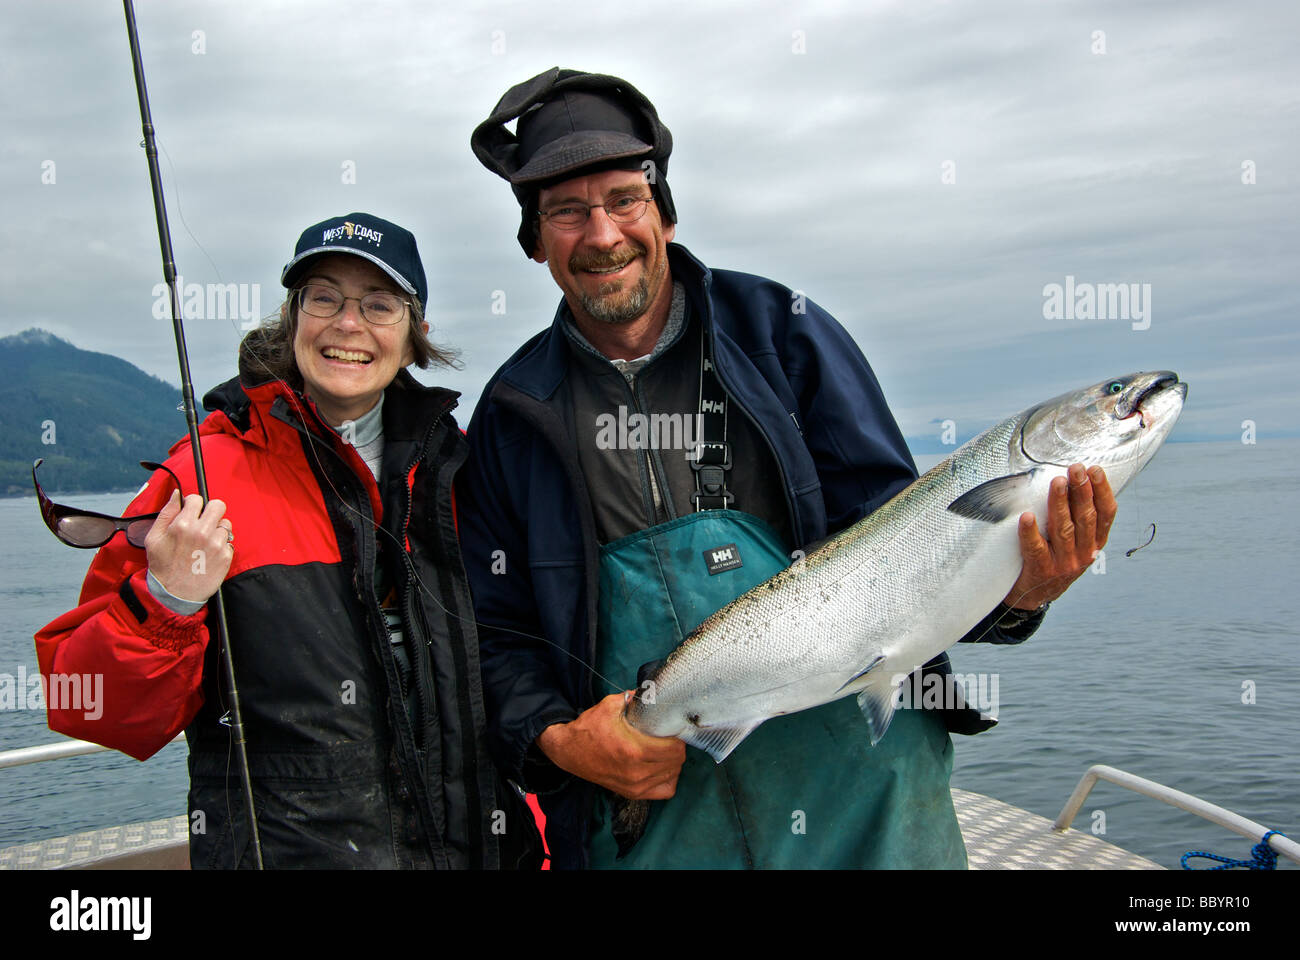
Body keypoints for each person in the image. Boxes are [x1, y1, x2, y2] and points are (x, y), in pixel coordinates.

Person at [459, 69, 1117, 869]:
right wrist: (559, 741)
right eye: (566, 211)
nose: (602, 235)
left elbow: (915, 554)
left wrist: (1016, 596)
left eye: (624, 199)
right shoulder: (509, 416)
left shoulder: (786, 337)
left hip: (866, 799)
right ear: (535, 242)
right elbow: (495, 634)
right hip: (660, 822)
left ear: (663, 210)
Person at [35, 213, 534, 869]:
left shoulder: (460, 474)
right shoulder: (199, 475)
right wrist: (167, 603)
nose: (347, 324)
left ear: (415, 338)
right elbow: (90, 705)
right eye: (323, 297)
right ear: (292, 317)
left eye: (378, 304)